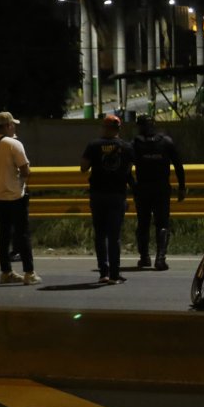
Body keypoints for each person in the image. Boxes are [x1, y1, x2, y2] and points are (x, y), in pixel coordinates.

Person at [0, 111, 41, 285]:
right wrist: (22, 179)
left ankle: (6, 272)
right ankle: (29, 273)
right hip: (15, 195)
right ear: (8, 125)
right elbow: (25, 170)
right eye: (13, 124)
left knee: (4, 235)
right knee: (22, 234)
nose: (15, 127)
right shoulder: (14, 144)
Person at [80, 114, 135, 284]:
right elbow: (130, 171)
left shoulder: (93, 145)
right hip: (117, 195)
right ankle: (114, 274)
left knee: (100, 235)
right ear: (119, 129)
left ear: (104, 127)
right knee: (114, 236)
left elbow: (83, 168)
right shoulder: (126, 147)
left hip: (97, 194)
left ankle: (103, 272)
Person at [132, 114, 186, 271]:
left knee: (143, 223)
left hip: (142, 189)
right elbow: (178, 165)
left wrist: (131, 184)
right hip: (161, 189)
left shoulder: (135, 144)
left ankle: (144, 258)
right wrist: (182, 187)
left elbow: (126, 166)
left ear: (140, 126)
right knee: (162, 223)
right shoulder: (166, 142)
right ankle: (160, 259)